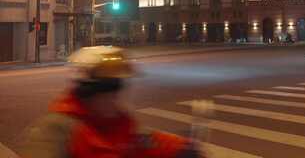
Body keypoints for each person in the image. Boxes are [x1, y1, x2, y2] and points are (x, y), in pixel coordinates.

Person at [20, 46, 202, 158]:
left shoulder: (118, 123)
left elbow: (146, 140)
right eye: (108, 92)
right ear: (88, 93)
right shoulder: (57, 129)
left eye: (117, 92)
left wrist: (182, 147)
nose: (115, 100)